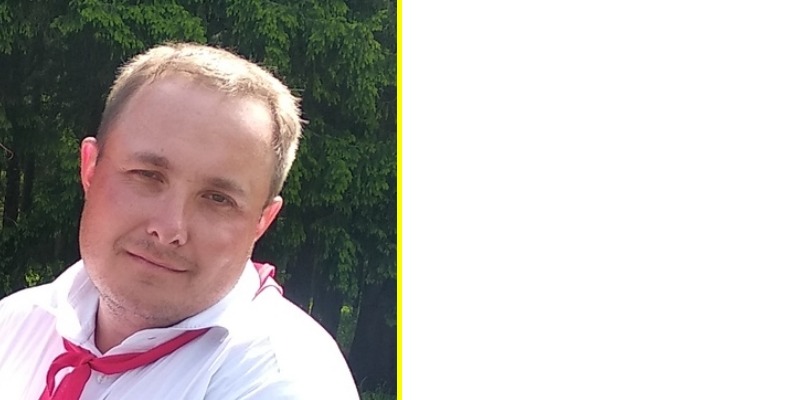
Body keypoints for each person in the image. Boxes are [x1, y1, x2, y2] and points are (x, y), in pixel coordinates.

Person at [0, 42, 360, 399]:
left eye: (217, 199)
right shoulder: (15, 325)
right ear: (90, 168)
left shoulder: (282, 382)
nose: (169, 228)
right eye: (147, 175)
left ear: (262, 222)